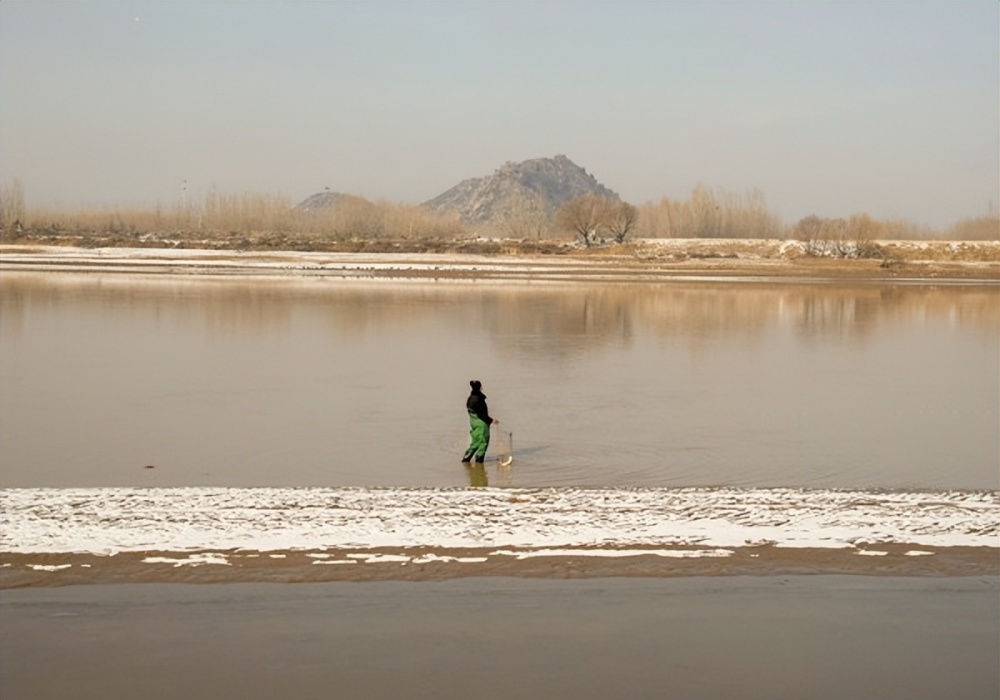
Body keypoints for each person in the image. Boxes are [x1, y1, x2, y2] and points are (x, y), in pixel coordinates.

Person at [462, 380, 498, 464]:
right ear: (479, 388)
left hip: (474, 422)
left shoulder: (471, 398)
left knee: (475, 440)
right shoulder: (478, 399)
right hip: (481, 424)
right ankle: (479, 461)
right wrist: (491, 420)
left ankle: (466, 459)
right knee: (483, 442)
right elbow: (481, 414)